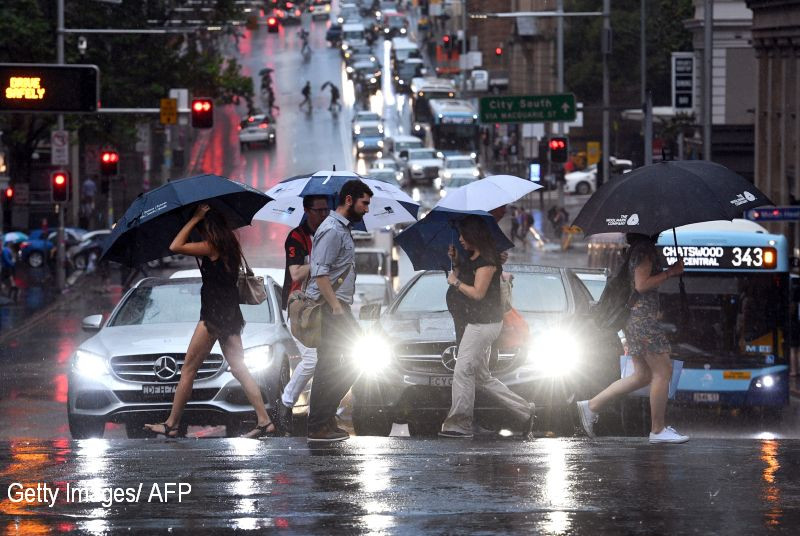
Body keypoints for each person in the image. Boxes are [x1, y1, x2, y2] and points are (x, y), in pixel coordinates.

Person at [144, 204, 276, 438]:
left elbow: (175, 245)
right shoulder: (229, 246)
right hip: (231, 314)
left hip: (214, 315)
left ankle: (171, 424)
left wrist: (194, 219)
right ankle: (264, 420)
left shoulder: (211, 246)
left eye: (203, 227)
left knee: (188, 369)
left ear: (208, 227)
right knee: (239, 368)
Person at [576, 233, 688, 444]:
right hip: (642, 321)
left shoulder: (637, 249)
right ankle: (658, 430)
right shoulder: (644, 250)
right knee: (663, 372)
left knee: (643, 375)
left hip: (634, 320)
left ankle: (591, 406)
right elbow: (641, 285)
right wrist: (671, 272)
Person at [440, 216, 534, 439]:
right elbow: (467, 273)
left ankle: (459, 424)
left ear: (474, 236)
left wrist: (455, 281)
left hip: (482, 324)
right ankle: (525, 410)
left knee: (462, 370)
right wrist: (455, 261)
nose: (461, 239)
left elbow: (478, 293)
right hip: (476, 323)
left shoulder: (487, 262)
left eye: (464, 235)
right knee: (481, 377)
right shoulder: (474, 257)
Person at [304, 180, 373, 442]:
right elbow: (320, 273)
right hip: (330, 308)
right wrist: (335, 307)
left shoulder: (341, 229)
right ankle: (318, 424)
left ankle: (324, 418)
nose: (366, 209)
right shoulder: (332, 230)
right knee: (347, 362)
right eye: (364, 203)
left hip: (337, 307)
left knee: (333, 365)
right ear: (348, 200)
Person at [276, 195, 331, 434]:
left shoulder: (329, 234)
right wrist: (320, 262)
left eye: (326, 210)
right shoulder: (297, 237)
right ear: (307, 211)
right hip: (299, 305)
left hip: (322, 306)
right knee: (312, 359)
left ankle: (324, 412)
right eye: (318, 210)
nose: (323, 215)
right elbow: (296, 273)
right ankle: (285, 405)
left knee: (330, 360)